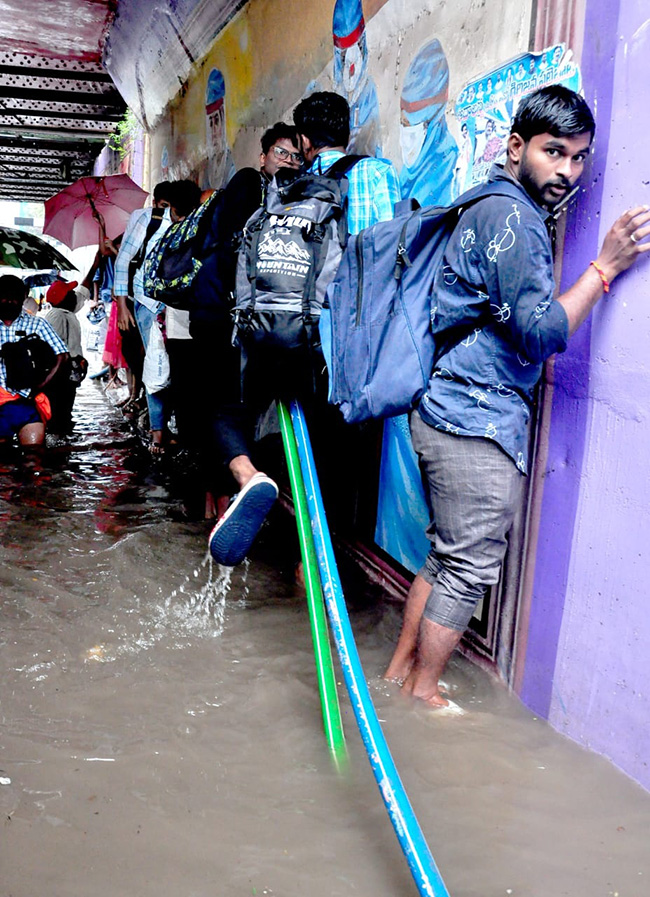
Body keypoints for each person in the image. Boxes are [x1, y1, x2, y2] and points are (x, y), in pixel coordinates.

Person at [384, 85, 650, 708]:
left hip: (444, 407)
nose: (567, 171)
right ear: (516, 147)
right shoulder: (516, 219)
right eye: (554, 152)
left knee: (444, 557)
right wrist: (604, 267)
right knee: (469, 566)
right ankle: (423, 695)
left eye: (580, 157)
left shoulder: (485, 202)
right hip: (475, 419)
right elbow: (539, 334)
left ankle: (399, 674)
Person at [190, 123, 302, 541]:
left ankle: (225, 498)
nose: (288, 161)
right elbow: (239, 248)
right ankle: (225, 497)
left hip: (238, 316)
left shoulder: (284, 197)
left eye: (295, 156)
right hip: (220, 314)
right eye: (281, 153)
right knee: (221, 405)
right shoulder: (246, 183)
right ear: (263, 157)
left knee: (229, 406)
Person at [113, 180, 175, 452]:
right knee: (155, 364)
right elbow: (123, 260)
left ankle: (166, 427)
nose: (167, 213)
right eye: (163, 207)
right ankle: (158, 432)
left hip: (175, 302)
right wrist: (123, 306)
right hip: (148, 302)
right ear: (156, 204)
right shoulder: (144, 218)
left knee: (171, 367)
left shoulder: (187, 221)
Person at [0, 275, 68, 450]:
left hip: (29, 403)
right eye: (4, 296)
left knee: (33, 458)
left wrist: (41, 385)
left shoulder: (37, 325)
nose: (9, 301)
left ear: (23, 297)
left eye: (14, 297)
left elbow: (62, 356)